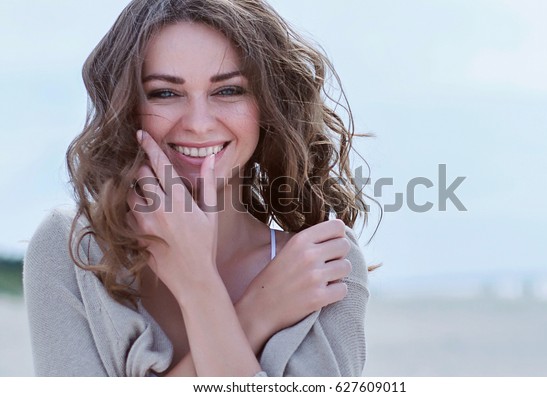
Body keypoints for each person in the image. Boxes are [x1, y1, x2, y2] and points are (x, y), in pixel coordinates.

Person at [24, 0, 371, 377]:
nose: (199, 124)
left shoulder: (322, 262)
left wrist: (202, 288)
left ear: (268, 105)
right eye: (165, 93)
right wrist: (249, 311)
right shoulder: (72, 246)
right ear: (127, 108)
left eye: (228, 91)